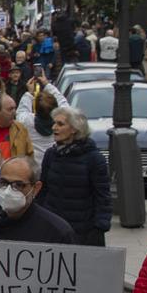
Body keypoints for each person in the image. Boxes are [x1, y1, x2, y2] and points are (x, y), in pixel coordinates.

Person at [38, 105, 111, 246]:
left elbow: (102, 196)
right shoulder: (51, 155)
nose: (54, 127)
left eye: (60, 124)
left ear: (74, 129)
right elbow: (43, 189)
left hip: (82, 231)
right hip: (53, 227)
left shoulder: (94, 159)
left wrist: (100, 226)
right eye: (54, 123)